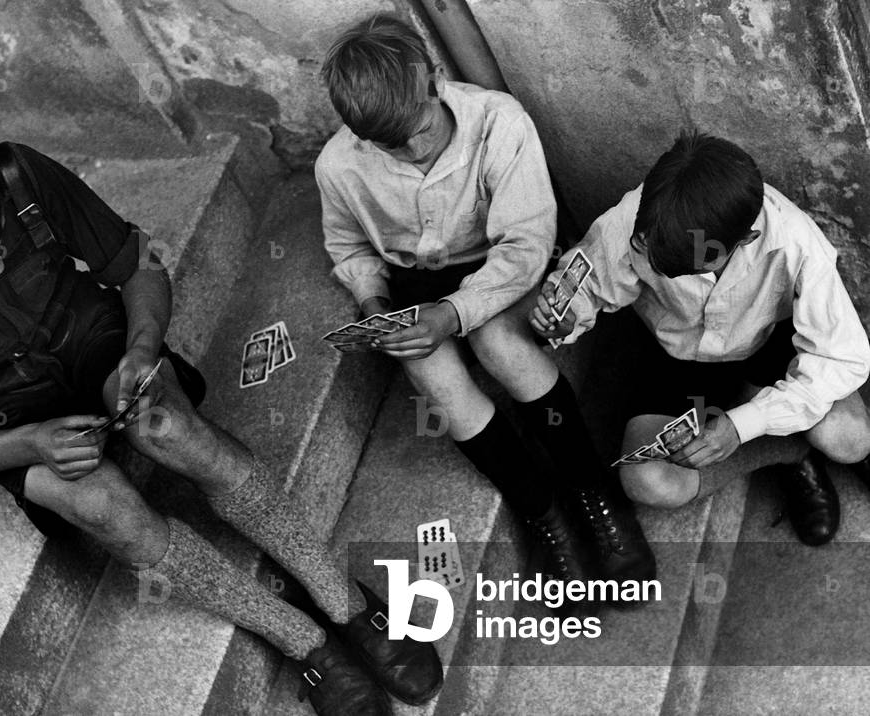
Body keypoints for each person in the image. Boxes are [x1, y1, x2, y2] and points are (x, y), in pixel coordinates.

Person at [0, 116, 442, 715]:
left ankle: (344, 599)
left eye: (0, 242)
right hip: (0, 411)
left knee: (173, 429)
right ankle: (304, 643)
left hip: (91, 339)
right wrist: (30, 443)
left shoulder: (16, 172)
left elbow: (139, 264)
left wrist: (142, 348)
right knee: (100, 506)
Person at [316, 14, 655, 592]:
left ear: (435, 80)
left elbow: (526, 246)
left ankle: (590, 490)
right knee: (427, 369)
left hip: (503, 267)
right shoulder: (338, 165)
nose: (412, 151)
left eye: (419, 131)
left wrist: (456, 313)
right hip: (416, 281)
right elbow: (348, 247)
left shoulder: (499, 123)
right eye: (389, 146)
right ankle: (540, 509)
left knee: (499, 341)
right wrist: (374, 299)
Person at [530, 130, 870, 546]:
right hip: (676, 357)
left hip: (768, 347)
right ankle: (786, 450)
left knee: (851, 440)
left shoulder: (797, 243)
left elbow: (843, 359)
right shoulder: (638, 217)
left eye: (690, 267)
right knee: (647, 481)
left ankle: (780, 435)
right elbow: (587, 283)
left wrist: (746, 423)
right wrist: (567, 321)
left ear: (745, 240)